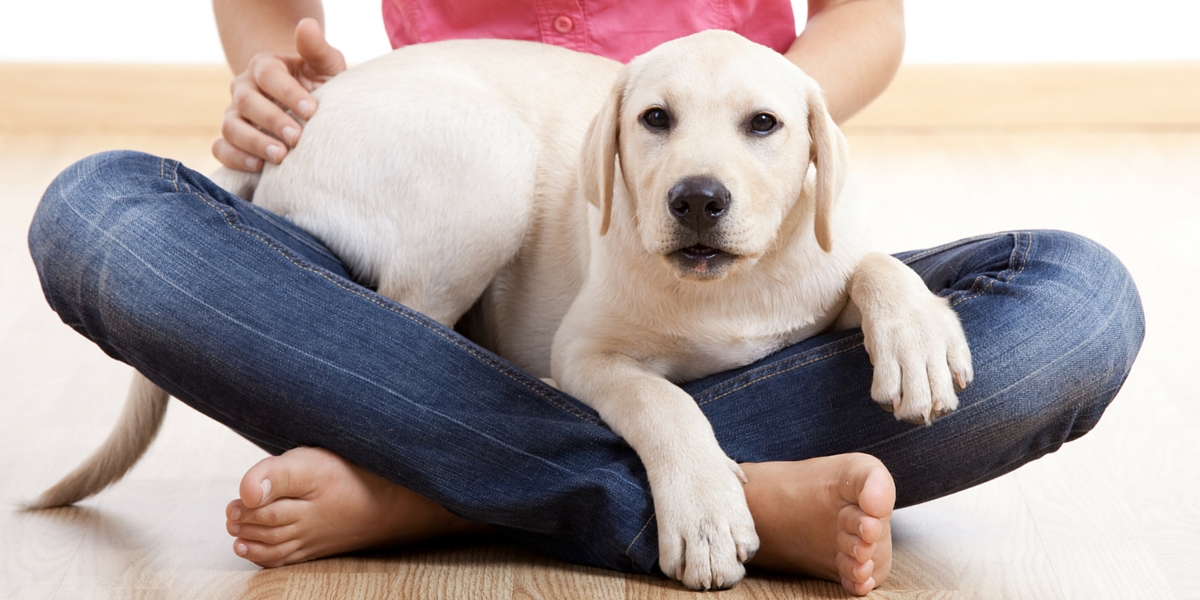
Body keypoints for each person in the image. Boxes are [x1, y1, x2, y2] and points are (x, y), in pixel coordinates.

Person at [26, 0, 1144, 596]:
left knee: (1077, 305)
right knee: (97, 214)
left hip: (724, 232)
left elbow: (869, 13)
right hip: (441, 217)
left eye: (776, 130)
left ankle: (438, 482)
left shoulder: (787, 153)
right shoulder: (578, 161)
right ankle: (701, 487)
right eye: (652, 130)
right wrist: (281, 81)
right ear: (620, 144)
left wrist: (767, 118)